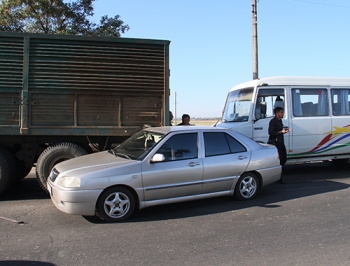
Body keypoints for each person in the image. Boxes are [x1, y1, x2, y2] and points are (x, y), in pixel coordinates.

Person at [268, 107, 290, 182]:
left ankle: (279, 176)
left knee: (284, 158)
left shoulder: (280, 120)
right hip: (276, 143)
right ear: (277, 113)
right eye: (281, 112)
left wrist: (285, 130)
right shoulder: (273, 121)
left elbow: (280, 130)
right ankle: (279, 178)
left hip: (281, 142)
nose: (283, 113)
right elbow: (271, 132)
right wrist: (281, 132)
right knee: (280, 160)